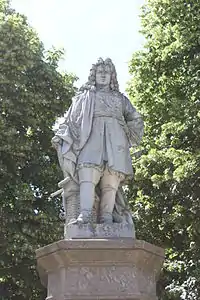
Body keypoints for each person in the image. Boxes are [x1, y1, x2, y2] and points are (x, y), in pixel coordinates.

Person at [52, 58, 143, 224]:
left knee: (111, 178)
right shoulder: (85, 96)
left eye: (106, 72)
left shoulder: (120, 99)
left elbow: (135, 117)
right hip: (90, 139)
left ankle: (106, 216)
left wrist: (129, 134)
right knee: (87, 173)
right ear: (94, 75)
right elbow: (71, 119)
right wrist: (63, 133)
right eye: (99, 72)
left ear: (112, 76)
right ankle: (85, 215)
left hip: (116, 141)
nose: (102, 75)